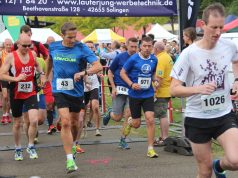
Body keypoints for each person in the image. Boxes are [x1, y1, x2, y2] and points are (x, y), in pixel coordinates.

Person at [170, 3, 238, 178]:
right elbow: (174, 89)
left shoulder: (229, 46)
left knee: (236, 160)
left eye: (221, 27)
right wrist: (198, 89)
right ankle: (212, 168)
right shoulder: (188, 54)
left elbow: (236, 61)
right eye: (213, 27)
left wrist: (236, 80)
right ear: (202, 25)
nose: (217, 32)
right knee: (205, 171)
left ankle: (219, 166)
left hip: (224, 114)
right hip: (198, 118)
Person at [46, 22, 102, 173]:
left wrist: (84, 73)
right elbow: (49, 60)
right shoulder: (54, 46)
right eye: (69, 37)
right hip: (59, 88)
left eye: (74, 36)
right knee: (65, 122)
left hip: (76, 91)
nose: (72, 40)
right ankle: (69, 159)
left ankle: (75, 142)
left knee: (75, 123)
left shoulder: (82, 48)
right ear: (62, 34)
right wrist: (46, 77)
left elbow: (98, 66)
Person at [0, 34, 46, 161]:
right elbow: (2, 75)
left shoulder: (32, 54)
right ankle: (18, 148)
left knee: (34, 120)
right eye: (24, 46)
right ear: (18, 44)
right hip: (16, 93)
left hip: (31, 91)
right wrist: (15, 78)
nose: (27, 48)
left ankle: (31, 146)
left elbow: (38, 65)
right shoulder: (11, 57)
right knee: (17, 123)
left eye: (29, 45)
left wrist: (42, 74)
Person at [120, 36, 159, 158]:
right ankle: (131, 121)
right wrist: (131, 84)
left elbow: (152, 73)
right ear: (140, 46)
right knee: (137, 124)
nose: (147, 48)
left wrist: (155, 80)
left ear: (152, 46)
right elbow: (122, 73)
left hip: (148, 94)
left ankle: (150, 149)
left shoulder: (154, 59)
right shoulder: (134, 59)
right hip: (135, 95)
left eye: (149, 46)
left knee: (150, 119)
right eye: (145, 46)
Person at [103, 37, 138, 149]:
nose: (133, 49)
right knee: (117, 117)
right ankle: (110, 113)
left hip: (132, 90)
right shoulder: (120, 57)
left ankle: (123, 139)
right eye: (131, 46)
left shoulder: (139, 58)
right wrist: (113, 87)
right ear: (126, 45)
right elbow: (109, 71)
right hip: (120, 88)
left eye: (135, 47)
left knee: (128, 114)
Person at [153, 41, 173, 146]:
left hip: (162, 90)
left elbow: (159, 76)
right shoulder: (167, 57)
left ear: (156, 49)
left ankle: (164, 137)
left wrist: (155, 90)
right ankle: (163, 136)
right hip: (167, 89)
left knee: (162, 115)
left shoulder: (160, 59)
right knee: (163, 114)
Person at [83, 41, 102, 136]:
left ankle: (97, 129)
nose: (90, 49)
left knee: (95, 107)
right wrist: (85, 82)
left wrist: (99, 74)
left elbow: (99, 69)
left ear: (94, 48)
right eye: (88, 47)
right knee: (83, 109)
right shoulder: (81, 58)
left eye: (91, 47)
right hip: (83, 86)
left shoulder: (96, 58)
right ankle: (83, 127)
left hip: (94, 84)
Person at [0, 38, 13, 124]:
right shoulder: (1, 53)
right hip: (4, 76)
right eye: (7, 44)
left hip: (12, 77)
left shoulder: (13, 54)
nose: (8, 46)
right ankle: (4, 114)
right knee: (5, 96)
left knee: (10, 97)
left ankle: (7, 114)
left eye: (9, 44)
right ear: (4, 45)